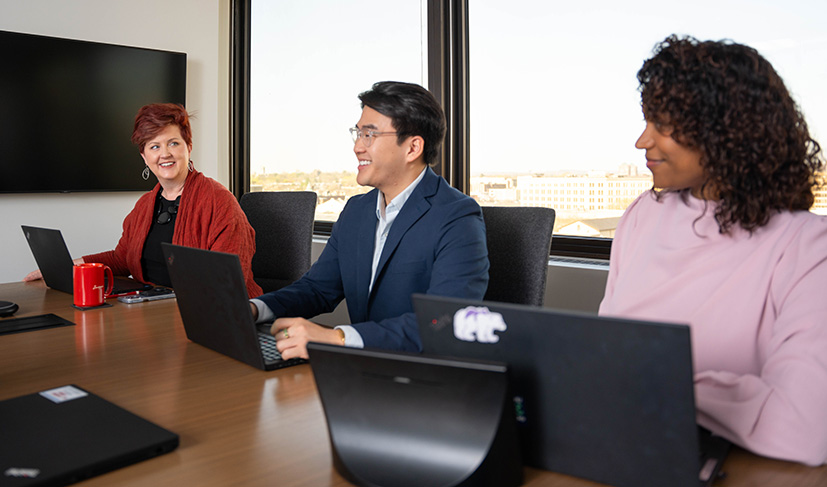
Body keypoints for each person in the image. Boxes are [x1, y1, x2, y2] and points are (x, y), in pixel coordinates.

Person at [598, 35, 827, 466]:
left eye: (662, 124)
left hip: (749, 470)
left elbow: (804, 428)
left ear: (725, 130)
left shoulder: (818, 247)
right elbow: (603, 357)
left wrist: (657, 384)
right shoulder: (642, 216)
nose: (642, 141)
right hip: (634, 453)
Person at [250, 81, 489, 358]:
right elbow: (317, 289)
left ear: (412, 148)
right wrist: (255, 308)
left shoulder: (457, 217)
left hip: (422, 380)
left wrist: (337, 338)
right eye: (357, 133)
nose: (357, 147)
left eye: (369, 135)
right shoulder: (357, 211)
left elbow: (444, 322)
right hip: (360, 373)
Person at [24, 103, 262, 298]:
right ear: (144, 156)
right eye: (154, 146)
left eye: (173, 143)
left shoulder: (219, 202)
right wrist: (73, 265)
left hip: (214, 316)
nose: (164, 154)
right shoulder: (145, 205)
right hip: (154, 312)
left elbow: (229, 279)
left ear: (188, 147)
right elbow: (122, 258)